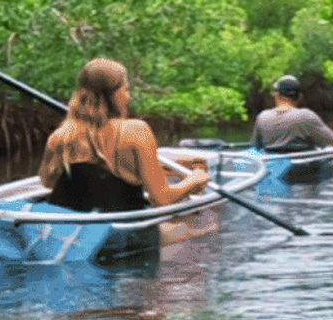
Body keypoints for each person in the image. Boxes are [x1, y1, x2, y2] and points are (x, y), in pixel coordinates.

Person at [40, 58, 209, 212]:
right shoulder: (136, 130)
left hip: (75, 229)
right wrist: (194, 180)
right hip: (123, 233)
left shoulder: (60, 136)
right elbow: (162, 199)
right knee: (208, 223)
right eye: (126, 89)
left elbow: (49, 183)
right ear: (113, 94)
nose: (129, 97)